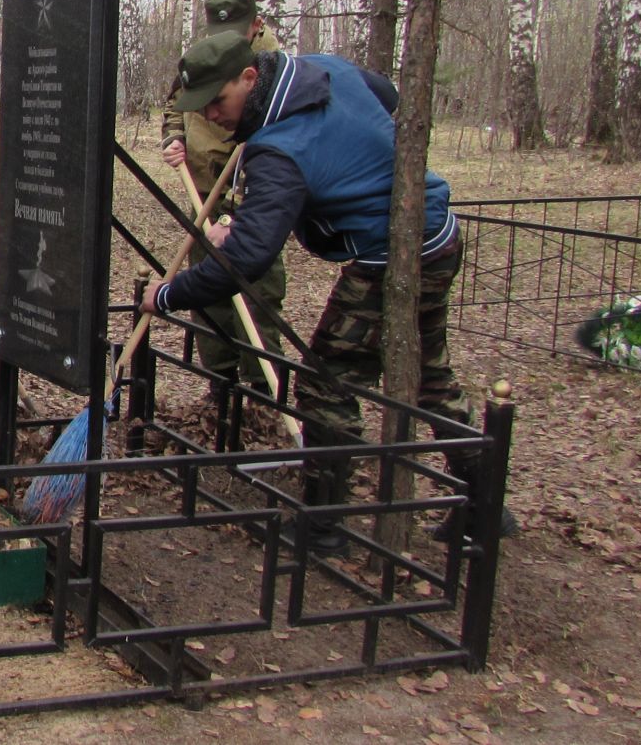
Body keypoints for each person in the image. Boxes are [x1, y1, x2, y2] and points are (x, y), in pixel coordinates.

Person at [141, 32, 515, 551]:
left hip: (394, 257)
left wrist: (165, 296)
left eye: (217, 102)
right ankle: (485, 505)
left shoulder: (278, 151)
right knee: (431, 375)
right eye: (199, 107)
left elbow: (246, 261)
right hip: (434, 234)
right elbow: (386, 96)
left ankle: (325, 524)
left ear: (250, 77)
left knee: (326, 384)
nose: (211, 115)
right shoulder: (322, 69)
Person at [160, 0, 288, 401]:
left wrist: (231, 218)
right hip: (204, 193)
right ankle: (221, 384)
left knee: (255, 293)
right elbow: (175, 103)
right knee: (208, 295)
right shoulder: (204, 56)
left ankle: (260, 393)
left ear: (257, 23)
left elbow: (273, 160)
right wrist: (173, 138)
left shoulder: (273, 70)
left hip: (248, 200)